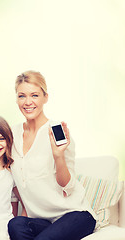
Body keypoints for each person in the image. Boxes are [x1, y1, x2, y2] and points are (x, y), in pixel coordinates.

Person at [8, 71, 97, 240]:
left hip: (75, 215)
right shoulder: (12, 135)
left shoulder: (56, 132)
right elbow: (16, 184)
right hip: (44, 221)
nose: (28, 102)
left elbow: (68, 187)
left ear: (45, 97)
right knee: (15, 224)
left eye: (34, 95)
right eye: (22, 96)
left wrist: (58, 155)